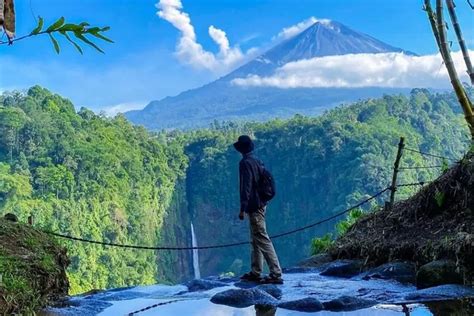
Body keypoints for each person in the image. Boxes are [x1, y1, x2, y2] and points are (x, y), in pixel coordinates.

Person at [233, 135, 283, 284]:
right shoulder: (257, 161)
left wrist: (243, 208)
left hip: (254, 205)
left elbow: (246, 187)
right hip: (262, 203)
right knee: (256, 238)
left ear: (241, 150)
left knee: (261, 237)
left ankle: (275, 272)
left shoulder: (245, 163)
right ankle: (256, 271)